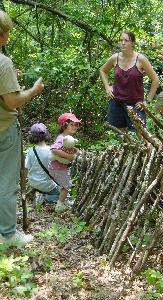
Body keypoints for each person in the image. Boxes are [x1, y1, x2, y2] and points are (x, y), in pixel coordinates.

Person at [0, 10, 44, 246]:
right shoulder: (2, 61)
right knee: (6, 183)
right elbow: (12, 101)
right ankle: (7, 234)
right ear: (3, 34)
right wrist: (34, 90)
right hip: (3, 129)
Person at [100, 30, 159, 132]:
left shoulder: (141, 59)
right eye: (121, 40)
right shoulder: (115, 58)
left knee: (139, 135)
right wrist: (107, 87)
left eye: (126, 40)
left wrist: (147, 101)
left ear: (132, 43)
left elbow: (155, 80)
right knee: (120, 135)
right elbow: (102, 70)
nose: (123, 43)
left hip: (135, 104)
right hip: (116, 102)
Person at [48, 112, 80, 213]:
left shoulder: (68, 138)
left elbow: (68, 147)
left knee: (65, 185)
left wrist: (75, 150)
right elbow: (54, 149)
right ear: (64, 126)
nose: (75, 127)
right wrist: (70, 157)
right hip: (58, 167)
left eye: (76, 125)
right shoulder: (62, 138)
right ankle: (60, 205)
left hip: (61, 167)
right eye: (72, 124)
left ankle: (64, 200)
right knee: (66, 186)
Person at [25, 123, 60, 205]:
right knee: (64, 195)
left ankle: (36, 192)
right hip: (46, 184)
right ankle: (44, 198)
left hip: (32, 181)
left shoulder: (30, 150)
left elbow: (27, 167)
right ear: (46, 134)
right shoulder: (51, 151)